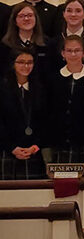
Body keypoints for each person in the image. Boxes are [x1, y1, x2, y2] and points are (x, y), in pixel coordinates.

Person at [48, 35, 84, 171]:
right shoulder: (54, 78)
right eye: (69, 50)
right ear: (63, 53)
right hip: (58, 139)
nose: (73, 54)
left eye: (77, 50)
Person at [0, 49, 47, 179]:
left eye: (29, 62)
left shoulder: (40, 89)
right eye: (21, 62)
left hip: (33, 151)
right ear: (12, 64)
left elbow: (45, 121)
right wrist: (12, 148)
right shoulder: (3, 88)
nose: (26, 66)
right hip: (6, 151)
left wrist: (35, 146)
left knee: (34, 197)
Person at [51, 0, 84, 72]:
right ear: (64, 14)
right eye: (69, 11)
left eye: (78, 11)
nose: (73, 14)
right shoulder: (54, 42)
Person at [0, 2, 49, 76]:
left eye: (30, 15)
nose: (26, 19)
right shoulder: (5, 44)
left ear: (36, 19)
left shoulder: (47, 43)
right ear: (15, 21)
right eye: (21, 16)